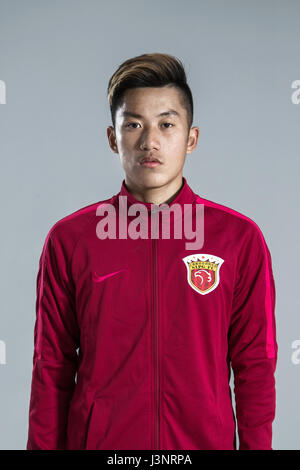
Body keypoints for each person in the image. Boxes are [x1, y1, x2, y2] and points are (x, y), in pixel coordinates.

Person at [26, 52, 278, 450]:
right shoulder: (71, 240)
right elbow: (51, 369)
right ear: (113, 138)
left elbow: (255, 367)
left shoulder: (238, 239)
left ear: (191, 138)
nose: (150, 141)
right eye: (133, 125)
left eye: (166, 124)